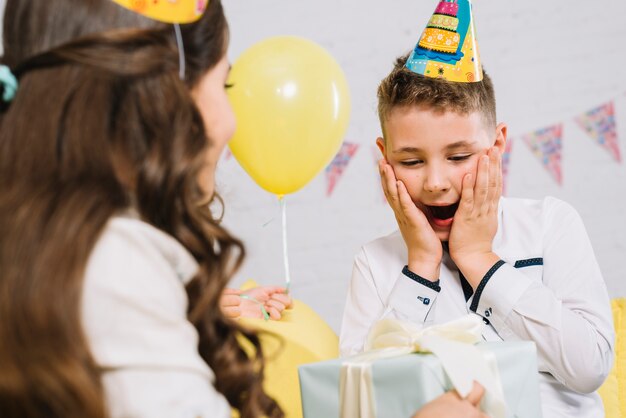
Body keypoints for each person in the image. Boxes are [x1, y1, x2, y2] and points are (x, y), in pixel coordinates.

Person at [0, 0, 486, 417]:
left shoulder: (58, 253)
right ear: (167, 100)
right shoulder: (118, 265)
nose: (231, 122)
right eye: (225, 85)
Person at [339, 52, 615, 417]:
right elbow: (361, 403)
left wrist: (479, 259)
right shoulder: (374, 263)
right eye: (411, 162)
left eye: (458, 157)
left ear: (497, 145)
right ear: (385, 158)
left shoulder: (550, 222)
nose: (436, 184)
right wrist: (420, 266)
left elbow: (589, 366)